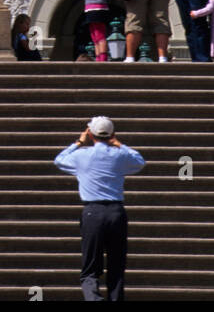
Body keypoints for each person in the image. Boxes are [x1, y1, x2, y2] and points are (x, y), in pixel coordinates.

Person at [53, 115, 145, 301]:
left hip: (92, 211)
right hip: (116, 212)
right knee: (116, 264)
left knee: (90, 266)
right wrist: (119, 144)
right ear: (113, 134)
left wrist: (79, 142)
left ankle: (93, 298)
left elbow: (59, 160)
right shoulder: (120, 155)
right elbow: (139, 161)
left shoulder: (80, 156)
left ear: (90, 133)